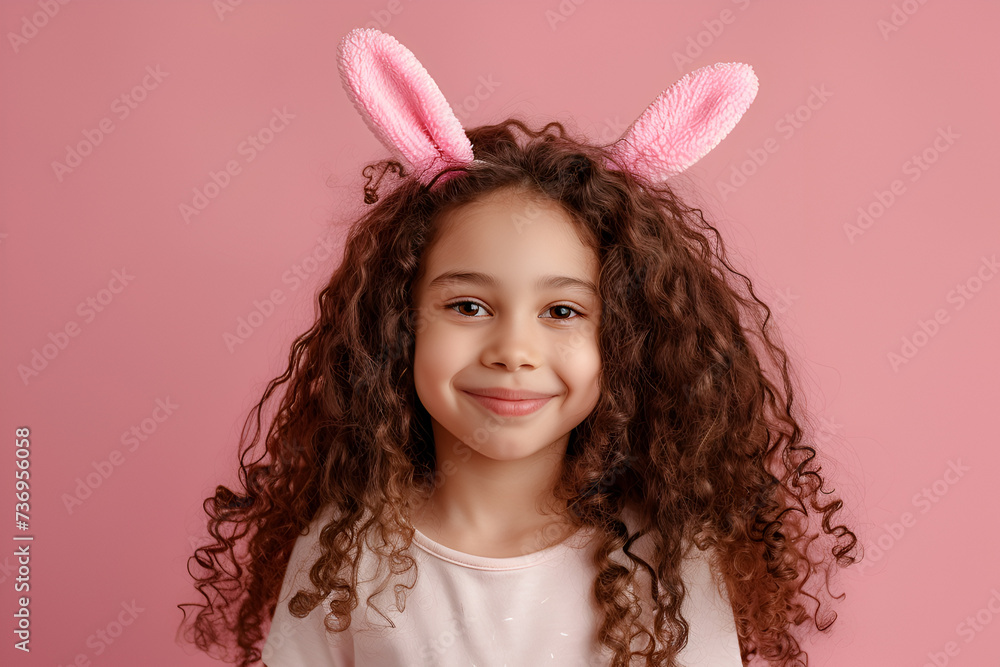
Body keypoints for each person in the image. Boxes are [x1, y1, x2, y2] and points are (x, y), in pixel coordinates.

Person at [177, 28, 861, 667]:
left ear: (623, 341)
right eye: (469, 305)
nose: (513, 349)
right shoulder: (345, 554)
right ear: (400, 322)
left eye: (562, 310)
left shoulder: (668, 560)